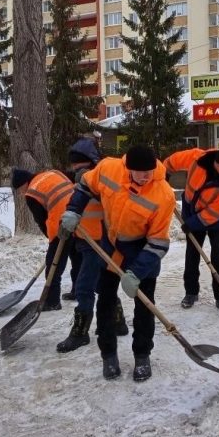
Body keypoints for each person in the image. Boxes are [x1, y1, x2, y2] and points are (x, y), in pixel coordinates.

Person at [60, 146, 176, 382]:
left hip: (142, 250)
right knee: (106, 302)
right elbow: (84, 185)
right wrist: (73, 211)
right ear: (127, 168)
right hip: (111, 248)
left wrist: (136, 272)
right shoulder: (109, 169)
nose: (146, 177)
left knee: (145, 307)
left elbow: (158, 242)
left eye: (149, 172)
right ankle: (108, 355)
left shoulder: (163, 194)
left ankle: (142, 355)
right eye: (140, 172)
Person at [56, 138, 130, 353]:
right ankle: (118, 322)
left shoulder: (102, 179)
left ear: (91, 163)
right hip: (85, 239)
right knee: (101, 285)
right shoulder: (85, 180)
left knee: (84, 287)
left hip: (99, 240)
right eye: (74, 167)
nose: (76, 171)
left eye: (80, 166)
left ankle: (80, 334)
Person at [163, 145, 219, 314]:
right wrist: (165, 173)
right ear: (216, 163)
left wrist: (193, 223)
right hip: (192, 210)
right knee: (192, 251)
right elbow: (173, 161)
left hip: (216, 218)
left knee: (218, 253)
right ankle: (191, 292)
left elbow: (215, 211)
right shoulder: (198, 158)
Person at [12, 167, 77, 312]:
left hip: (61, 224)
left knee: (53, 263)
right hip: (78, 215)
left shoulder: (32, 193)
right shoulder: (51, 173)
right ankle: (77, 291)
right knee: (76, 255)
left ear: (24, 183)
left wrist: (52, 240)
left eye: (20, 189)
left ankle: (52, 301)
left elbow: (41, 220)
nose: (22, 193)